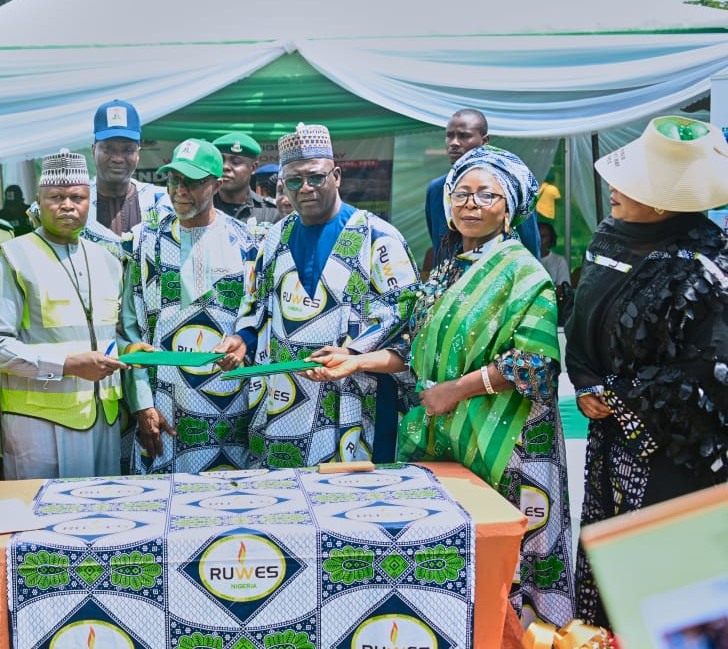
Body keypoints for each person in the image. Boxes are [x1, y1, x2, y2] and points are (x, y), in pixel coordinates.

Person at [305, 145, 575, 628]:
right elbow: (412, 349)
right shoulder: (448, 269)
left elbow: (535, 364)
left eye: (486, 195)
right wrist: (354, 361)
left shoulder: (523, 272)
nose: (471, 204)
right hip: (450, 436)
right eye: (462, 193)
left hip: (511, 443)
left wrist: (456, 389)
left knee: (512, 559)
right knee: (459, 556)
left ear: (509, 209)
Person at [566, 116, 728, 629]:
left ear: (661, 201)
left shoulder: (709, 266)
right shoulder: (608, 239)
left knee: (665, 582)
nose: (612, 190)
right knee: (609, 568)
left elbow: (708, 373)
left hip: (676, 454)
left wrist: (621, 394)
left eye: (627, 183)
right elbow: (580, 320)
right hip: (611, 441)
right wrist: (586, 382)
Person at [220, 123, 420, 468]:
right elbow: (256, 307)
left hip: (353, 399)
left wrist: (352, 353)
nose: (305, 188)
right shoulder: (275, 237)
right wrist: (241, 339)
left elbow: (406, 319)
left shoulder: (378, 237)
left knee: (348, 495)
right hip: (284, 402)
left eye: (316, 177)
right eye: (293, 181)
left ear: (336, 176)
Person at [0, 150, 128, 479]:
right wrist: (67, 364)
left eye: (77, 197)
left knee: (102, 507)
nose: (68, 206)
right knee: (41, 509)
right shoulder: (13, 258)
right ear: (38, 201)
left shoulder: (107, 260)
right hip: (38, 426)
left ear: (90, 202)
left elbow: (104, 336)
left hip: (103, 417)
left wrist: (129, 350)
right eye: (56, 197)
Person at [120, 139, 257, 473]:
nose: (180, 190)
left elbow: (256, 319)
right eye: (174, 180)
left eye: (192, 182)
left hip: (228, 410)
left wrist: (243, 341)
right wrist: (142, 404)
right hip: (163, 406)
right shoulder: (145, 241)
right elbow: (129, 330)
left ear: (217, 184)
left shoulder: (247, 243)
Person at [425, 109, 542, 260]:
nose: (454, 143)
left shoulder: (511, 188)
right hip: (449, 274)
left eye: (464, 136)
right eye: (449, 136)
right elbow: (438, 245)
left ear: (484, 141)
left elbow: (530, 248)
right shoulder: (437, 189)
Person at [86, 99, 171, 247]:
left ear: (138, 154)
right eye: (108, 149)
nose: (118, 158)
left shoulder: (160, 202)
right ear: (94, 151)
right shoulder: (76, 202)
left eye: (128, 150)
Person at [211, 133, 277, 224]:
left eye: (235, 162)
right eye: (221, 161)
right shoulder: (202, 207)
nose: (225, 167)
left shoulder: (270, 213)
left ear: (253, 167)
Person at [538, 222, 571, 287]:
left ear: (550, 239)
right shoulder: (526, 259)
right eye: (536, 235)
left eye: (543, 236)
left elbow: (561, 288)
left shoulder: (559, 261)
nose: (539, 239)